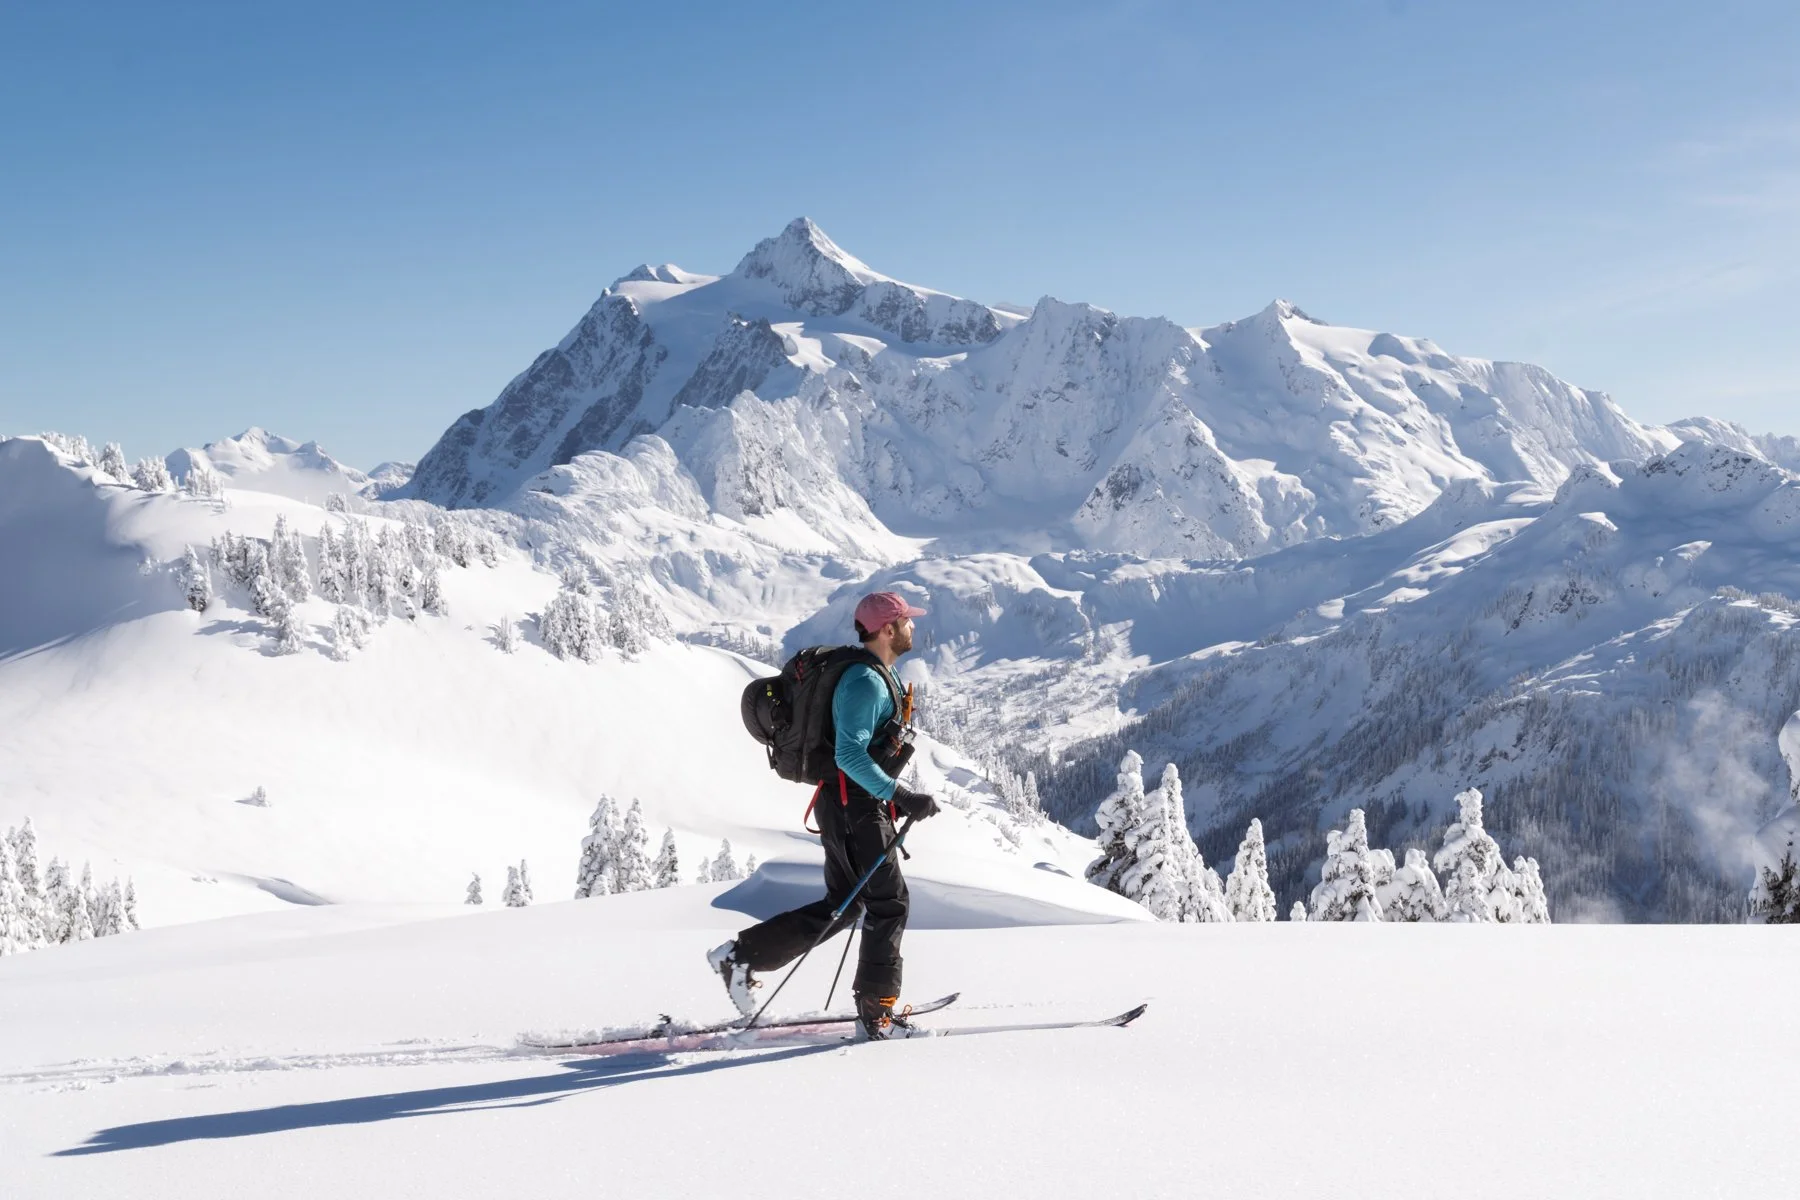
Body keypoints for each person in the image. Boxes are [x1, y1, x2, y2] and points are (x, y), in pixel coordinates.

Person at [707, 591, 940, 1039]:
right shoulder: (866, 682)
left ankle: (741, 957)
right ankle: (877, 1018)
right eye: (907, 621)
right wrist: (901, 795)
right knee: (889, 905)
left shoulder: (871, 674)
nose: (913, 627)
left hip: (847, 806)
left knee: (846, 903)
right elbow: (850, 754)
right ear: (887, 629)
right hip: (856, 808)